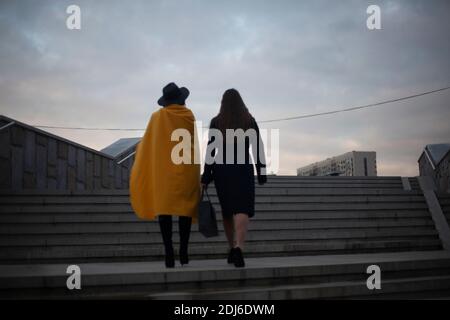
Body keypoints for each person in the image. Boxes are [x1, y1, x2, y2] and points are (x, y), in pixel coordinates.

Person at [130, 82, 200, 268]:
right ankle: (183, 252)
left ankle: (169, 253)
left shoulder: (157, 117)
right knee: (185, 210)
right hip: (185, 168)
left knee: (165, 210)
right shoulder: (189, 115)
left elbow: (147, 143)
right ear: (181, 99)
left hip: (164, 171)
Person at [201, 88, 267, 268]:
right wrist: (261, 171)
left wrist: (206, 177)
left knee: (228, 211)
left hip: (223, 170)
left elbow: (211, 150)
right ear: (241, 102)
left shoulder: (216, 122)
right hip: (243, 168)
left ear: (223, 103)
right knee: (242, 209)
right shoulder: (249, 120)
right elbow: (258, 147)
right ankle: (240, 247)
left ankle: (231, 248)